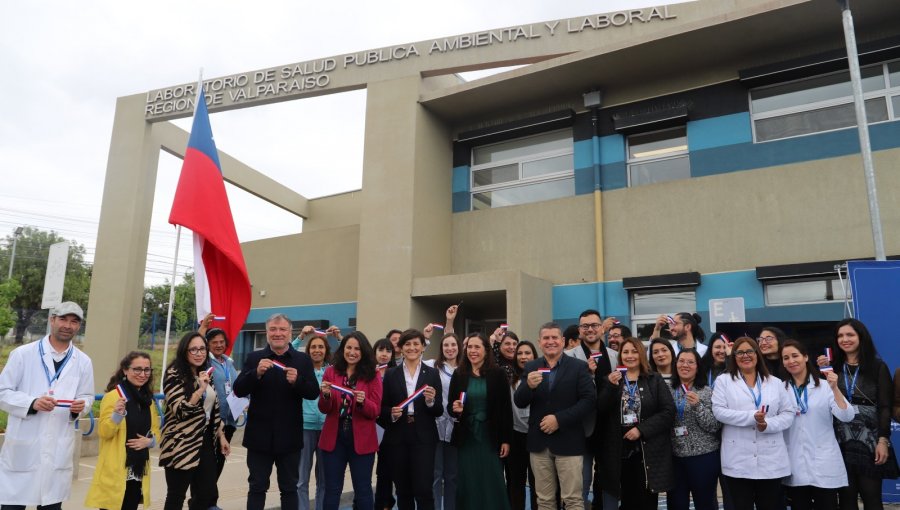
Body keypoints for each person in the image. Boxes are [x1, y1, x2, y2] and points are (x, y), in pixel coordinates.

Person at [0, 301, 94, 510]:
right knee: (12, 506)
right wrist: (32, 402)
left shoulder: (83, 361)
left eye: (74, 322)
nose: (67, 325)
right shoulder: (23, 354)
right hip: (24, 447)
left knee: (51, 505)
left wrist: (81, 406)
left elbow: (87, 396)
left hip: (57, 449)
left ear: (79, 326)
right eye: (63, 319)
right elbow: (3, 392)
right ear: (52, 320)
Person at [233, 313, 320, 510]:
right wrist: (255, 373)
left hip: (289, 438)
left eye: (282, 330)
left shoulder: (302, 360)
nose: (278, 333)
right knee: (257, 487)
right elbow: (239, 390)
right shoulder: (255, 357)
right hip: (259, 438)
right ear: (267, 333)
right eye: (273, 329)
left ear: (290, 333)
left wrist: (297, 382)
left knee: (289, 488)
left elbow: (313, 393)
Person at [816, 318, 898, 510]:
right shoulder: (831, 367)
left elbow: (885, 407)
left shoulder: (878, 367)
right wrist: (822, 372)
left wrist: (883, 440)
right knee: (846, 498)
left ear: (861, 337)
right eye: (840, 336)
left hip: (869, 440)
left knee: (871, 498)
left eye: (850, 335)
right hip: (839, 439)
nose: (845, 339)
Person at [514, 322, 596, 510]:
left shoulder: (579, 367)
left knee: (573, 500)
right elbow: (520, 401)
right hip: (539, 444)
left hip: (569, 442)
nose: (550, 341)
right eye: (546, 338)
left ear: (563, 341)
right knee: (544, 500)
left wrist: (559, 419)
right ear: (540, 342)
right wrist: (529, 387)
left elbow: (589, 401)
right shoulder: (532, 366)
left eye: (554, 338)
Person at [712, 336, 794, 510]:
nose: (745, 355)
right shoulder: (723, 381)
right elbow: (719, 411)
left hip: (771, 459)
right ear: (734, 357)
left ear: (757, 354)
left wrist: (767, 425)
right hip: (738, 459)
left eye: (750, 351)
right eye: (739, 352)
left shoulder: (775, 383)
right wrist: (752, 417)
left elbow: (788, 414)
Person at [597, 337, 675, 510]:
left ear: (641, 354)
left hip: (647, 450)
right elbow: (600, 410)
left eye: (634, 351)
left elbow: (668, 412)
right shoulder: (611, 379)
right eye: (625, 352)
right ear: (620, 356)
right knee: (625, 499)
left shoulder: (654, 379)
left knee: (646, 501)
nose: (630, 356)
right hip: (618, 450)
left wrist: (641, 430)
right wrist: (610, 386)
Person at [159, 332, 230, 510]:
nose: (199, 353)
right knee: (176, 496)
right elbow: (180, 411)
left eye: (202, 349)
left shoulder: (205, 372)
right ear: (184, 351)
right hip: (181, 443)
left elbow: (212, 409)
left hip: (205, 440)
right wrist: (199, 390)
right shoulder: (174, 373)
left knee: (206, 493)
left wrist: (221, 435)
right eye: (193, 350)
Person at [780, 339, 854, 510]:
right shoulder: (780, 388)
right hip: (794, 462)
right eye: (786, 358)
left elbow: (846, 416)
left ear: (805, 357)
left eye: (795, 356)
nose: (791, 361)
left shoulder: (824, 386)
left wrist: (835, 388)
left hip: (823, 461)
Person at [85, 351, 162, 510]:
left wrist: (150, 441)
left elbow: (155, 429)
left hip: (138, 468)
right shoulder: (114, 397)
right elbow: (104, 432)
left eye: (147, 370)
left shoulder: (148, 400)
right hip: (116, 468)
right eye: (137, 369)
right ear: (125, 370)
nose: (142, 374)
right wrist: (117, 416)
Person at [447, 333, 512, 509]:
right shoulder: (459, 374)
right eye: (469, 347)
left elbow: (505, 409)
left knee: (492, 479)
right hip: (467, 436)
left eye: (477, 347)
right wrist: (456, 409)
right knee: (468, 481)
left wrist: (506, 439)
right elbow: (450, 407)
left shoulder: (497, 374)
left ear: (486, 350)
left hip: (491, 436)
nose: (472, 351)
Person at [380, 328, 443, 510]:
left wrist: (431, 402)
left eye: (416, 344)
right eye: (407, 344)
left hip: (424, 437)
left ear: (423, 347)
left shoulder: (432, 373)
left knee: (424, 489)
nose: (412, 348)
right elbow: (382, 408)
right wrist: (391, 413)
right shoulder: (391, 374)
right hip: (397, 436)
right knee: (403, 490)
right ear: (400, 348)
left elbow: (438, 409)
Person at [319, 332, 382, 510]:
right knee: (332, 489)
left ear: (363, 352)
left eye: (357, 348)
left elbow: (375, 410)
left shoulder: (373, 375)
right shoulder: (331, 371)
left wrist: (363, 402)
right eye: (349, 347)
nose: (352, 352)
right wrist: (325, 395)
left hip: (362, 438)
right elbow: (324, 408)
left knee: (363, 489)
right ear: (343, 349)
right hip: (334, 436)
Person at [565, 309, 618, 509]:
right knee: (581, 484)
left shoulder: (615, 356)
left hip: (610, 429)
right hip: (581, 430)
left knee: (609, 484)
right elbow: (566, 392)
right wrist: (586, 374)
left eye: (594, 325)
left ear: (602, 328)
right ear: (579, 330)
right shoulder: (568, 357)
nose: (590, 329)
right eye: (585, 326)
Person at [667, 349, 720, 510]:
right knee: (676, 504)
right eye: (681, 361)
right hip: (675, 457)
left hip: (703, 457)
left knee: (705, 504)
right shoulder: (668, 390)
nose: (685, 365)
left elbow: (714, 425)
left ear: (698, 367)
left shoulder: (707, 392)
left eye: (690, 362)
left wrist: (698, 406)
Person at [203, 326, 239, 510]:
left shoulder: (229, 362)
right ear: (207, 344)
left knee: (219, 461)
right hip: (213, 422)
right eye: (214, 342)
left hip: (230, 421)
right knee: (209, 464)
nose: (218, 345)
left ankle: (209, 501)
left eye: (221, 342)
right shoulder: (205, 363)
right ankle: (205, 502)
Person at [426, 333, 462, 510]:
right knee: (435, 474)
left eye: (453, 345)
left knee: (452, 475)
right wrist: (425, 339)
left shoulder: (465, 369)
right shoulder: (433, 365)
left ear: (458, 347)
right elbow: (413, 358)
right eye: (446, 345)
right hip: (436, 425)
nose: (450, 348)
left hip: (456, 427)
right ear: (441, 348)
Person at [298, 334, 331, 510]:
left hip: (327, 429)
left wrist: (340, 337)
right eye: (313, 347)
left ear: (326, 351)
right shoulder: (302, 370)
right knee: (301, 479)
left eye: (321, 347)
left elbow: (351, 354)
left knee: (324, 479)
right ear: (308, 351)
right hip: (305, 427)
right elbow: (290, 351)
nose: (317, 350)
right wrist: (301, 336)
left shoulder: (332, 372)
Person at [507, 341, 539, 510]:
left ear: (534, 355)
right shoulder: (510, 378)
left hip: (537, 435)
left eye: (528, 353)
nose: (523, 357)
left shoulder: (542, 376)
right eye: (520, 353)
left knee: (537, 484)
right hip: (516, 435)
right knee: (516, 482)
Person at [372, 337, 396, 510]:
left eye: (388, 351)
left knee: (385, 470)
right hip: (366, 424)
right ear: (374, 352)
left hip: (388, 427)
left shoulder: (396, 373)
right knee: (363, 470)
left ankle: (385, 504)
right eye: (381, 350)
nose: (384, 354)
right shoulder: (366, 373)